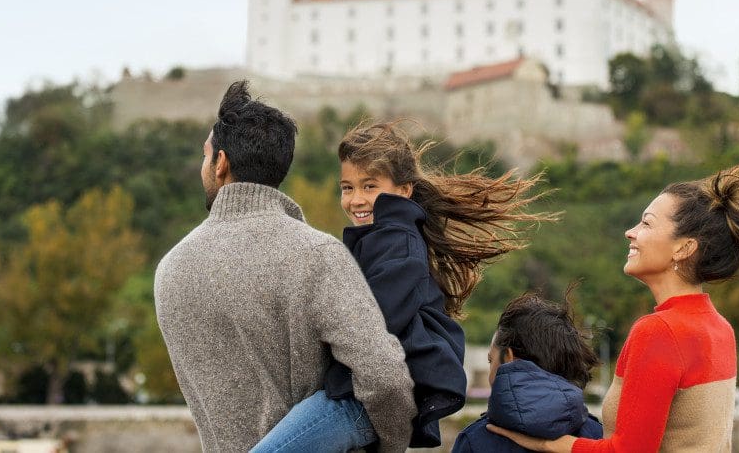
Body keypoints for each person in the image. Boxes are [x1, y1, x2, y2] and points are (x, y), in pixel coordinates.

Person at [486, 155, 739, 452]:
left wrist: (547, 444)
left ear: (684, 248)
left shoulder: (659, 332)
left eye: (646, 223)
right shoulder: (718, 328)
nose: (630, 232)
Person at [252, 121, 553, 452]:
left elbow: (370, 324)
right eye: (347, 188)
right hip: (355, 393)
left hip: (356, 401)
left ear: (404, 190)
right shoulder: (382, 239)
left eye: (370, 186)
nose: (356, 199)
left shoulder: (398, 243)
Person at [153, 82, 416, 453]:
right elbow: (386, 378)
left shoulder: (171, 270)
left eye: (205, 157)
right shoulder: (318, 255)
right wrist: (391, 446)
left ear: (221, 163)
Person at [452, 292, 603, 453]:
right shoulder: (598, 438)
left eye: (491, 361)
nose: (490, 376)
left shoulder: (475, 441)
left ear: (509, 358)